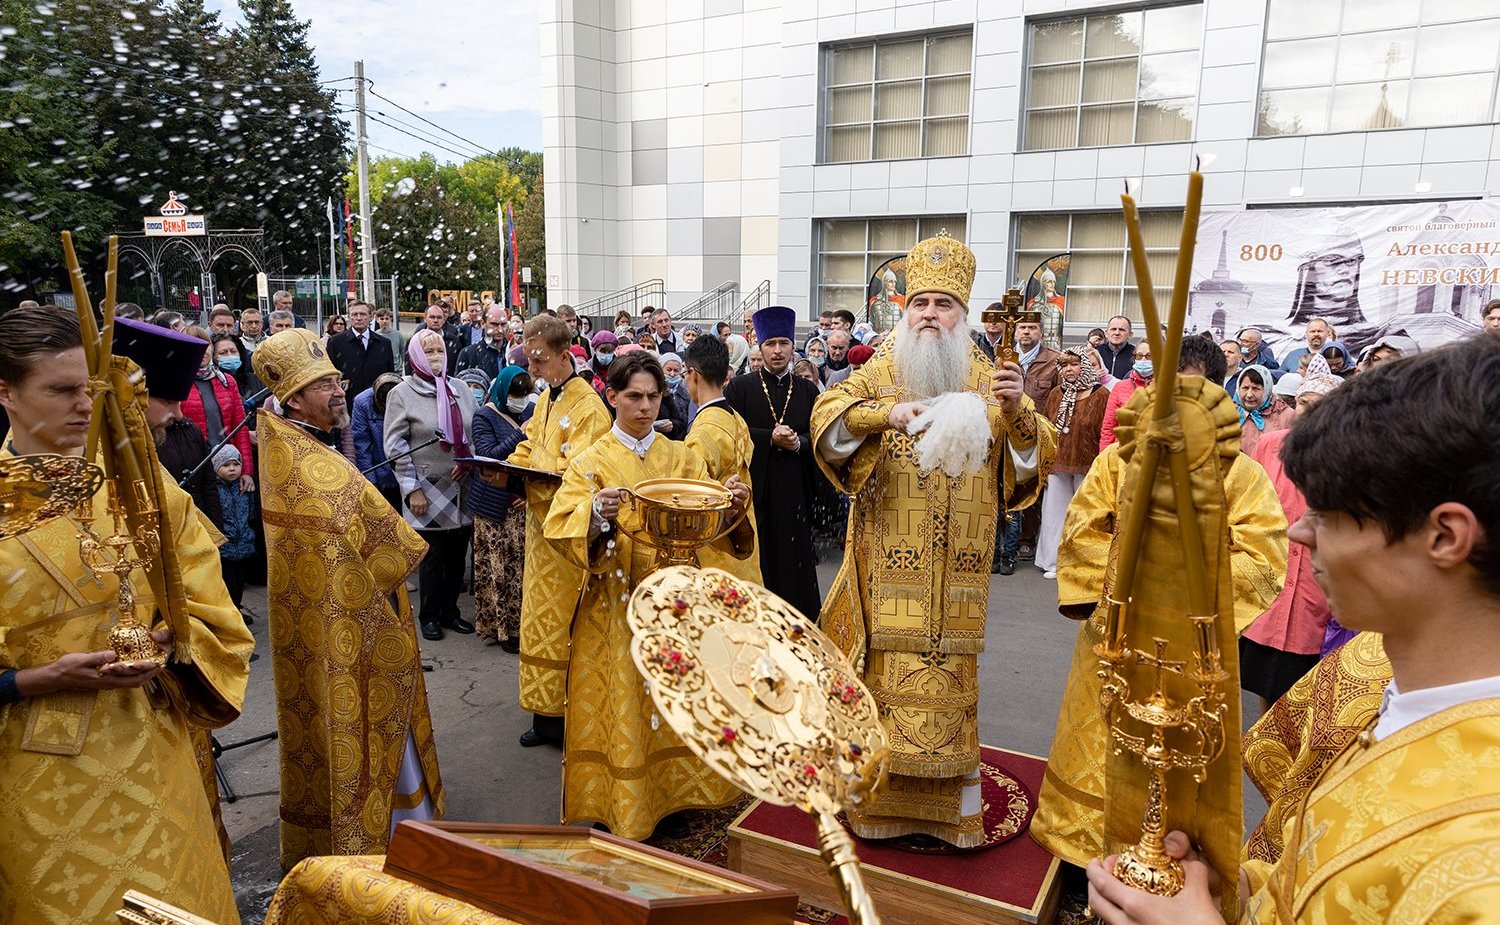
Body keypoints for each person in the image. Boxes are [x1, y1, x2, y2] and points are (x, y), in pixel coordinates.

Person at [1086, 333, 1500, 925]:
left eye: (1327, 514)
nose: (1300, 534)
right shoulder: (1366, 672)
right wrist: (1230, 893)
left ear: (1445, 536)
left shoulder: (1484, 869)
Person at [0, 306, 252, 924]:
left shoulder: (138, 483)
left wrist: (176, 638)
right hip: (33, 779)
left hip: (155, 753)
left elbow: (207, 603)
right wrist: (37, 679)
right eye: (60, 391)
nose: (84, 406)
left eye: (89, 389)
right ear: (4, 391)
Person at [811, 233, 1056, 847]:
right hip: (887, 562)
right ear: (903, 308)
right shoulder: (882, 368)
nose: (929, 314)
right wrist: (879, 414)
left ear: (962, 314)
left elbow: (1033, 458)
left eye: (943, 304)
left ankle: (949, 817)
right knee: (881, 687)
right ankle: (878, 810)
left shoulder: (990, 377)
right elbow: (827, 415)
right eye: (920, 302)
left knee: (951, 681)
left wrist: (1021, 409)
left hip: (960, 575)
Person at [1030, 337, 1287, 876]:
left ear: (1216, 397)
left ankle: (1169, 859)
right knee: (1102, 740)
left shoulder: (1242, 475)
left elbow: (1263, 558)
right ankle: (1081, 854)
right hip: (1116, 634)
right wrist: (1126, 590)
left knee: (1176, 766)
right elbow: (1081, 532)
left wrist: (1182, 592)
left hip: (1192, 650)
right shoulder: (1118, 461)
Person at [252, 328, 443, 870]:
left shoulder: (296, 443)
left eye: (338, 379)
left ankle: (400, 822)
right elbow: (362, 537)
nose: (340, 390)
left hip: (360, 608)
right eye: (325, 384)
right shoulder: (300, 463)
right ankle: (386, 839)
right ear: (294, 399)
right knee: (352, 723)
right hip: (348, 620)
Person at [545, 352, 753, 839]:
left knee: (670, 699)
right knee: (621, 700)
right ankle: (612, 799)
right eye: (634, 396)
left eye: (653, 396)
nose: (644, 407)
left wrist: (732, 507)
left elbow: (712, 528)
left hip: (675, 607)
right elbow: (560, 526)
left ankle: (676, 796)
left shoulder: (681, 456)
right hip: (614, 606)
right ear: (612, 396)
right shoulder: (590, 460)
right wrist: (596, 511)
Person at [509, 315, 614, 749]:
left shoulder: (587, 404)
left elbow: (586, 471)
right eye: (529, 360)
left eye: (539, 360)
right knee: (539, 620)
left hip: (569, 535)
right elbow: (531, 444)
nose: (531, 369)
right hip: (541, 531)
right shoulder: (548, 398)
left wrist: (535, 474)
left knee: (566, 623)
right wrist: (509, 468)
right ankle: (545, 713)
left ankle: (569, 720)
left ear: (563, 354)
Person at [1239, 358, 1344, 709]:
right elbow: (1251, 502)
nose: (1307, 411)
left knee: (1307, 688)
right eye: (1303, 403)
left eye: (1317, 405)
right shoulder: (1270, 444)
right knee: (1264, 683)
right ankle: (1262, 752)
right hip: (1274, 575)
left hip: (1317, 585)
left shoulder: (1345, 453)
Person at [725, 306, 823, 621]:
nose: (778, 351)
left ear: (793, 346)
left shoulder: (808, 390)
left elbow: (818, 436)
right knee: (760, 560)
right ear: (760, 347)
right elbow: (732, 433)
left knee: (795, 564)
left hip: (795, 489)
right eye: (771, 344)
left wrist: (799, 443)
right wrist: (769, 438)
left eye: (784, 343)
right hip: (757, 490)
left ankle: (799, 625)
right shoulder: (740, 388)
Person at [385, 329, 478, 641]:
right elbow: (395, 446)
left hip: (462, 484)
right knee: (433, 555)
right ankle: (429, 616)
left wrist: (470, 461)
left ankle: (451, 612)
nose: (436, 357)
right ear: (415, 356)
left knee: (457, 554)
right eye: (428, 351)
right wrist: (412, 489)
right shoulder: (402, 393)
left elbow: (472, 431)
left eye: (439, 350)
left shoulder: (460, 388)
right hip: (426, 487)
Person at [683, 334, 761, 584]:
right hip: (742, 532)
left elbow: (692, 495)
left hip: (716, 548)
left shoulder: (704, 430)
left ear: (693, 374)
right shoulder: (737, 418)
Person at [468, 366, 533, 652]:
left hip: (522, 501)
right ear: (503, 391)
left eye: (524, 395)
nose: (520, 400)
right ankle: (503, 629)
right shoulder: (484, 415)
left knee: (520, 568)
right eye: (515, 395)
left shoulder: (531, 411)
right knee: (498, 569)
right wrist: (520, 433)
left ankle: (523, 625)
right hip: (493, 505)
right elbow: (487, 456)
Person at [1036, 348, 1110, 579]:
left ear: (1085, 366)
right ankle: (1053, 563)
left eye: (1074, 364)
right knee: (1053, 514)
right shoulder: (1057, 393)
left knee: (1084, 516)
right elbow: (1047, 428)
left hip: (1087, 464)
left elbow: (1104, 430)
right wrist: (1043, 464)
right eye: (1065, 365)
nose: (1069, 369)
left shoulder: (1101, 394)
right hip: (1058, 463)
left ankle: (1081, 562)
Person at [181, 327, 256, 494]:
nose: (200, 349)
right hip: (196, 469)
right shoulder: (177, 382)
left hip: (228, 466)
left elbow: (240, 427)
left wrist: (246, 470)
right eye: (192, 344)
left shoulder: (227, 381)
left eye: (205, 344)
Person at [351, 372, 404, 511]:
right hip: (381, 473)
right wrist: (371, 482)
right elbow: (361, 446)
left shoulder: (408, 396)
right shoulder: (362, 402)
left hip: (407, 472)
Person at [213, 445, 255, 613]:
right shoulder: (215, 491)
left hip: (243, 543)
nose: (232, 468)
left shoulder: (244, 488)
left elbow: (251, 512)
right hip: (225, 546)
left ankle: (236, 610)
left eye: (236, 464)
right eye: (226, 465)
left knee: (239, 582)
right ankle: (230, 613)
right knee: (228, 583)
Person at [327, 300, 395, 400]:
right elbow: (330, 374)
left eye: (363, 314)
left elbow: (389, 377)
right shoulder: (336, 342)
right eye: (354, 314)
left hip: (376, 402)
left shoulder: (384, 343)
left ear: (371, 317)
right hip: (347, 402)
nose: (359, 318)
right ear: (349, 317)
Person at [1098, 339, 1153, 450]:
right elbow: (1108, 427)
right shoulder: (1120, 387)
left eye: (1149, 356)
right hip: (1123, 453)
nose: (1143, 359)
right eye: (1139, 356)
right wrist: (1104, 456)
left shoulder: (1168, 387)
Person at [1233, 364, 1284, 457]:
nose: (1249, 394)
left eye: (1256, 389)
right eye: (1245, 388)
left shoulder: (1284, 414)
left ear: (1267, 390)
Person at [456, 305, 508, 380]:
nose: (500, 329)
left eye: (503, 324)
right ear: (483, 323)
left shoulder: (514, 352)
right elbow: (460, 387)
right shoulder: (467, 354)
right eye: (494, 324)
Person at [1017, 318, 1061, 405]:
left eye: (1032, 327)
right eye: (1022, 327)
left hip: (1041, 417)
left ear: (1041, 332)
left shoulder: (1055, 360)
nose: (1026, 331)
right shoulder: (1003, 358)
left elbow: (1060, 399)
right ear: (1016, 332)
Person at [421, 303, 464, 375]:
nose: (435, 320)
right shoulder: (416, 340)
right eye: (432, 317)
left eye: (439, 317)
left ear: (444, 320)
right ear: (425, 318)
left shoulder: (454, 341)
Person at [1097, 315, 1135, 380]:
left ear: (1130, 335)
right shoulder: (1096, 352)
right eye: (1113, 329)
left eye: (1122, 330)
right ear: (1106, 333)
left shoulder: (1136, 354)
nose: (1117, 333)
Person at [659, 352, 691, 425]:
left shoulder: (687, 392)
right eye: (668, 370)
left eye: (676, 370)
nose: (672, 374)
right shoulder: (655, 391)